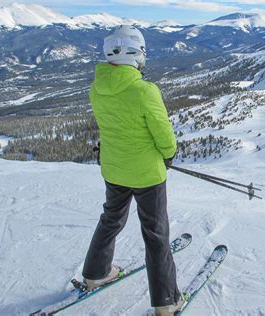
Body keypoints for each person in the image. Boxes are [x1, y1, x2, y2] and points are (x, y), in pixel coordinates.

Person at [82, 25, 182, 316]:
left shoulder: (96, 87)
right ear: (138, 53)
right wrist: (169, 155)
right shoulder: (144, 90)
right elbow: (164, 136)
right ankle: (166, 302)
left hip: (114, 169)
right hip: (147, 175)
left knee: (111, 219)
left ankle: (95, 274)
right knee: (155, 233)